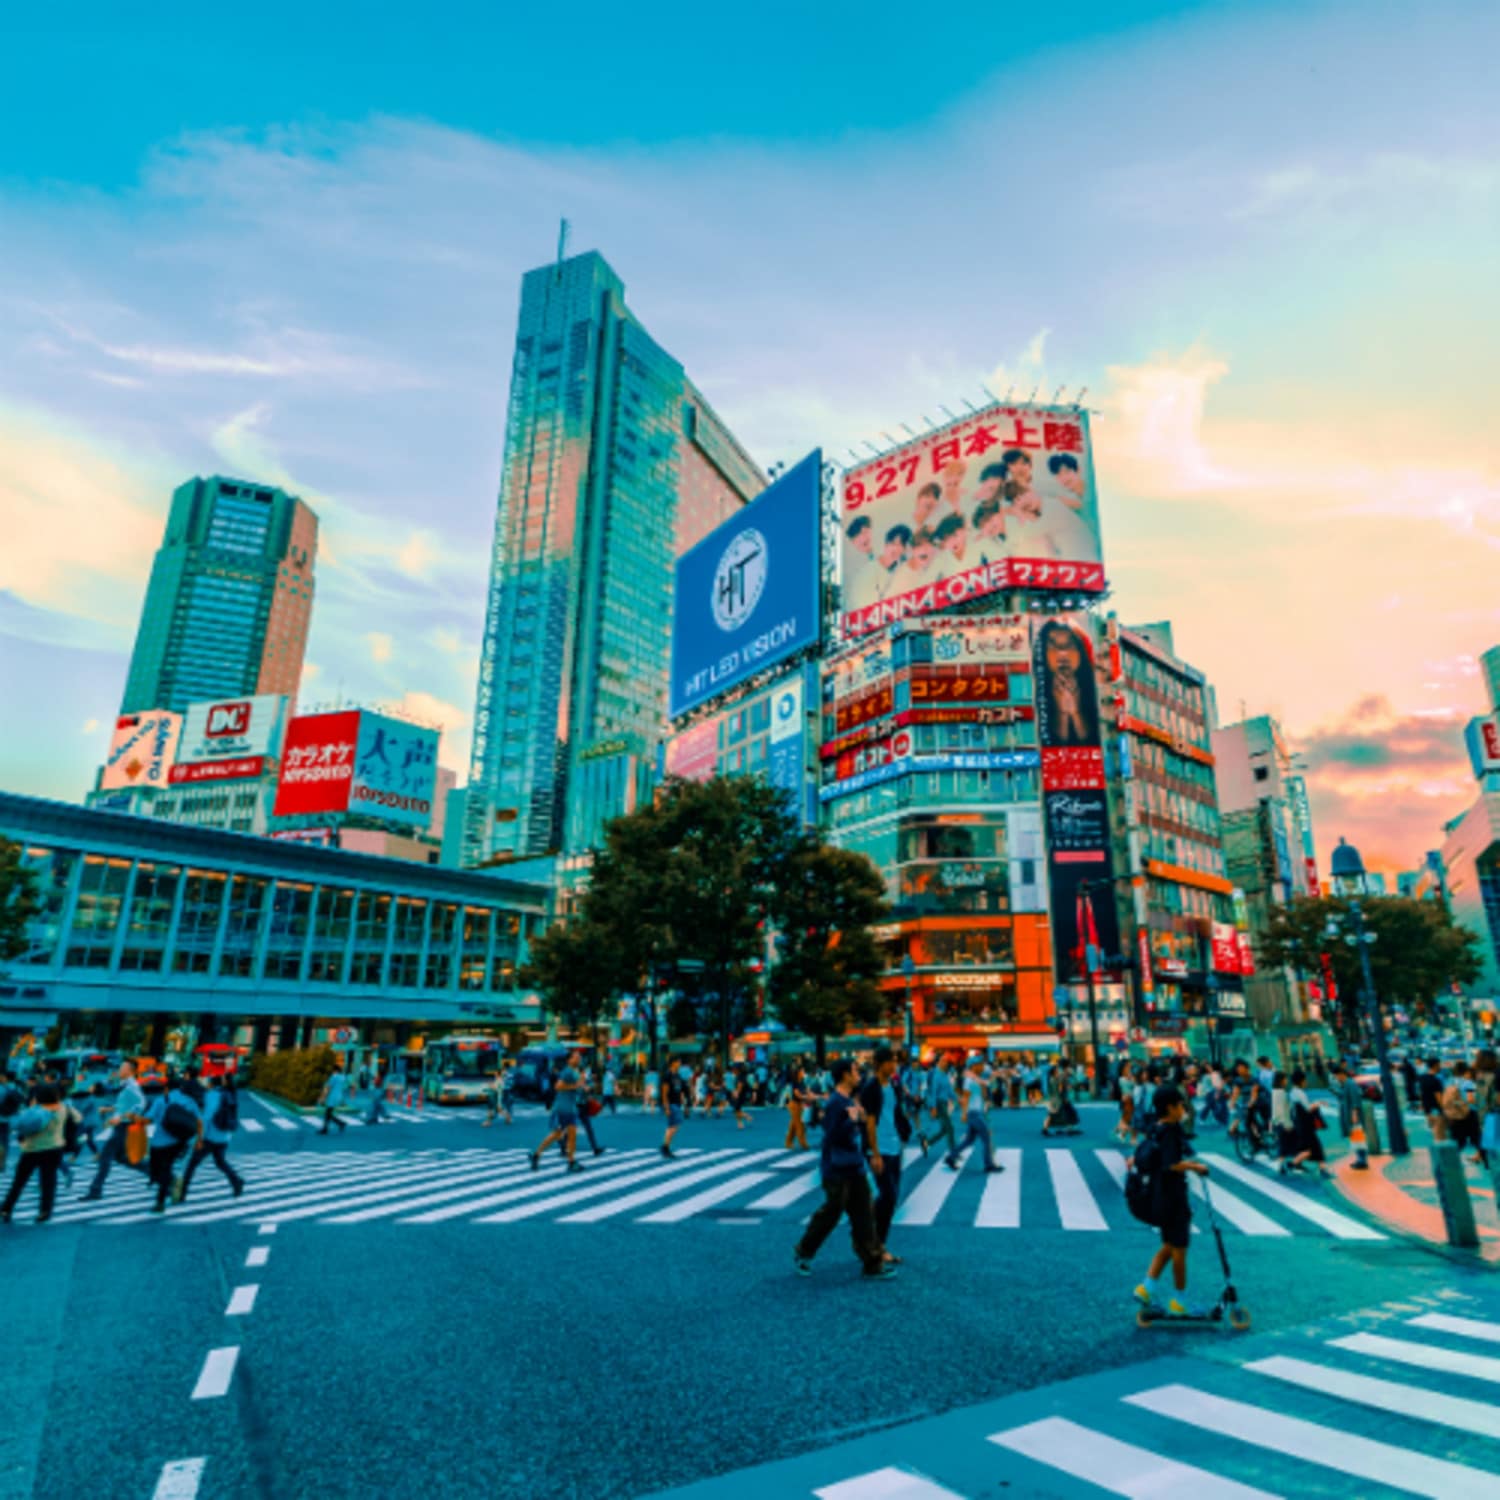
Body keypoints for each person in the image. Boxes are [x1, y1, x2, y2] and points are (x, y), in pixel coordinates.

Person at [793, 1059, 893, 1281]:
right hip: (836, 1167)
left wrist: (858, 1122)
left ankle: (872, 1262)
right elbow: (831, 1136)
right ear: (846, 1075)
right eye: (856, 1071)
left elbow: (853, 1132)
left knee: (864, 1214)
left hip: (854, 1165)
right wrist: (853, 1121)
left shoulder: (848, 1100)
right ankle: (804, 1251)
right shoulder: (835, 1103)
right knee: (831, 1212)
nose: (860, 1074)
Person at [1133, 1084, 1210, 1317]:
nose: (1184, 1109)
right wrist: (1195, 1166)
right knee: (1180, 1250)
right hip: (1173, 1197)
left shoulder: (1156, 1128)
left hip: (1159, 1195)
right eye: (1181, 1105)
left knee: (1168, 1245)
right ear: (1170, 1107)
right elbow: (1170, 1165)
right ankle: (1179, 1301)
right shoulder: (1171, 1131)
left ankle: (1146, 1288)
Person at [859, 1048, 910, 1263]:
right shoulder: (871, 1087)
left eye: (896, 1062)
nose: (895, 1065)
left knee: (891, 1197)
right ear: (880, 1064)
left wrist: (904, 1133)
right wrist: (875, 1153)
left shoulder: (894, 1085)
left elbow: (897, 1112)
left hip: (894, 1146)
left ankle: (874, 1240)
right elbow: (869, 1123)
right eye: (891, 1062)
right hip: (879, 1149)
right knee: (888, 1196)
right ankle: (876, 1246)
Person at [1, 1083, 79, 1224]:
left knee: (19, 1181)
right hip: (55, 1148)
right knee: (48, 1181)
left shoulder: (37, 1111)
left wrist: (31, 1108)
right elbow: (78, 1118)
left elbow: (21, 1126)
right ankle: (45, 1211)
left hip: (33, 1149)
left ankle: (6, 1209)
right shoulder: (64, 1108)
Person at [81, 1058, 149, 1201]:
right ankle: (163, 1177)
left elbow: (141, 1104)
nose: (119, 1070)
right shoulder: (124, 1085)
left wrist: (122, 1117)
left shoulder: (131, 1086)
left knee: (106, 1157)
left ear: (130, 1071)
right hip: (121, 1126)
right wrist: (109, 1109)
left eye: (122, 1068)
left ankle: (95, 1190)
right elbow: (125, 1104)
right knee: (126, 1159)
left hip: (124, 1127)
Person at [179, 1074, 245, 1202]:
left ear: (212, 1084)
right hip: (224, 1136)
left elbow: (207, 1118)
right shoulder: (230, 1094)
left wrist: (200, 1138)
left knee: (192, 1164)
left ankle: (182, 1193)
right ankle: (236, 1181)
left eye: (207, 1081)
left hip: (210, 1137)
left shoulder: (212, 1095)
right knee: (220, 1162)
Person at [146, 1075, 203, 1213]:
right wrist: (199, 1140)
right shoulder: (190, 1101)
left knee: (157, 1171)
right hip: (179, 1142)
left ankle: (161, 1201)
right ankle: (169, 1184)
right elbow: (199, 1122)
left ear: (166, 1088)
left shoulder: (161, 1100)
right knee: (166, 1168)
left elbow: (148, 1119)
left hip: (159, 1143)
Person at [946, 1057, 1002, 1174]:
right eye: (980, 1065)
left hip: (977, 1112)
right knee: (986, 1138)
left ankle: (951, 1157)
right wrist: (964, 1114)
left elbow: (984, 1092)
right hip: (974, 1113)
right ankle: (989, 1164)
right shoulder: (969, 1080)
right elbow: (965, 1097)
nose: (982, 1067)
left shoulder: (976, 1079)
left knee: (969, 1140)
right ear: (973, 1066)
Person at [921, 1059, 957, 1158]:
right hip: (939, 1103)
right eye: (943, 1061)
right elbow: (933, 1092)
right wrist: (933, 1107)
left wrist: (957, 1099)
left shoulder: (945, 1074)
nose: (946, 1063)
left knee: (944, 1129)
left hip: (944, 1103)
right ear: (939, 1063)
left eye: (946, 1061)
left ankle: (927, 1142)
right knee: (950, 1128)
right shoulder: (936, 1075)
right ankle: (953, 1153)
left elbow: (949, 1089)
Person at [318, 1062, 351, 1135]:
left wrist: (322, 1098)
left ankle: (327, 1128)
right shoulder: (342, 1077)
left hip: (332, 1097)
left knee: (328, 1113)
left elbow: (328, 1088)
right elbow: (346, 1086)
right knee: (328, 1113)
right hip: (339, 1096)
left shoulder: (333, 1077)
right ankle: (339, 1124)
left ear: (334, 1070)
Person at [0, 1068, 22, 1177]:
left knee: (2, 1141)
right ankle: (2, 1164)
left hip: (1, 1118)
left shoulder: (2, 1089)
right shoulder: (17, 1088)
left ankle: (1, 1163)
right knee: (5, 1141)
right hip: (11, 1118)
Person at [661, 1064, 686, 1158]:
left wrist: (682, 1100)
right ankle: (665, 1146)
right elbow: (664, 1092)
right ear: (673, 1063)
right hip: (671, 1103)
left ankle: (665, 1146)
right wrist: (666, 1107)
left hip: (677, 1103)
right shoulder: (668, 1076)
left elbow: (680, 1089)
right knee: (673, 1126)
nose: (679, 1064)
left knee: (673, 1126)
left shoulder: (678, 1075)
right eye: (678, 1062)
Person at [1417, 1056, 1445, 1140]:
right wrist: (1444, 1108)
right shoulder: (1435, 1080)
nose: (1440, 1067)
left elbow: (1421, 1093)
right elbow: (1439, 1097)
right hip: (1436, 1109)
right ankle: (1440, 1150)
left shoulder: (1422, 1078)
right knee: (1439, 1133)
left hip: (1427, 1109)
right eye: (1439, 1065)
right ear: (1436, 1065)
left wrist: (1422, 1105)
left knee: (1434, 1131)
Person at [785, 1066, 812, 1150]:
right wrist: (805, 1097)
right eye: (803, 1071)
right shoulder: (795, 1082)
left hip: (800, 1104)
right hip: (794, 1104)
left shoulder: (802, 1082)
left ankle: (788, 1142)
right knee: (800, 1124)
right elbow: (797, 1094)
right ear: (798, 1073)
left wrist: (809, 1095)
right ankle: (803, 1142)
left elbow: (807, 1090)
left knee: (794, 1124)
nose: (804, 1073)